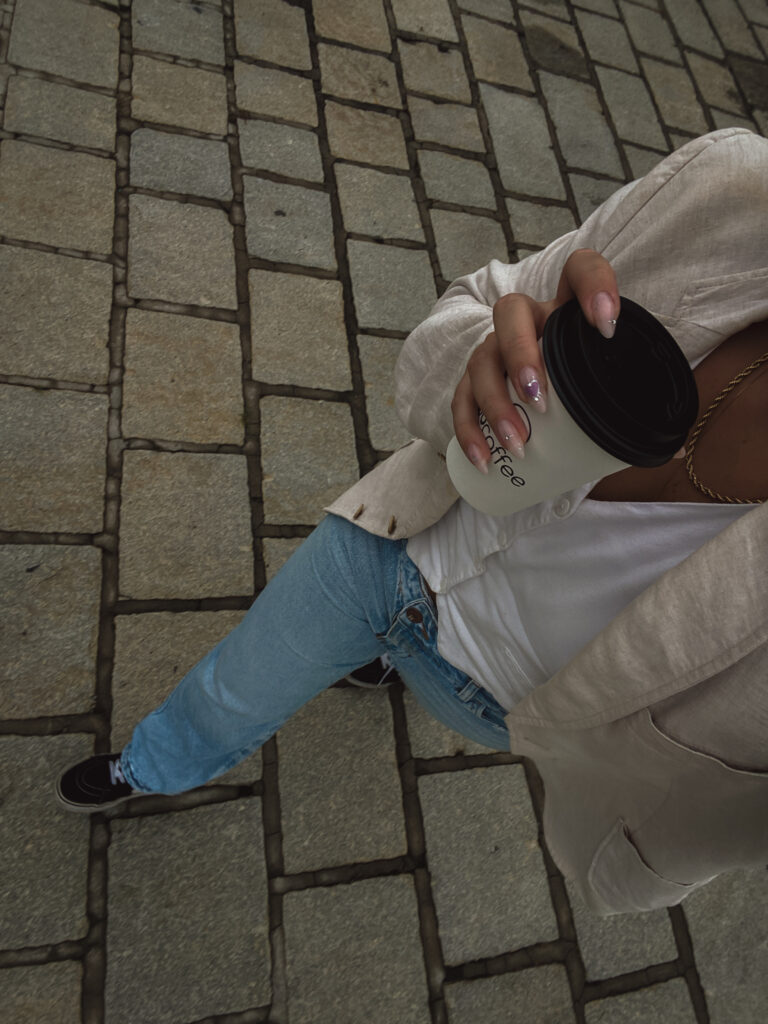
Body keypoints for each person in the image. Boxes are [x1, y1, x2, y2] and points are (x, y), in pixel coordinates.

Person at [57, 127, 768, 916]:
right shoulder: (731, 192)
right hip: (391, 542)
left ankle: (380, 661)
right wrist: (487, 354)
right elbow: (478, 302)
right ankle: (154, 765)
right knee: (234, 690)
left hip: (511, 708)